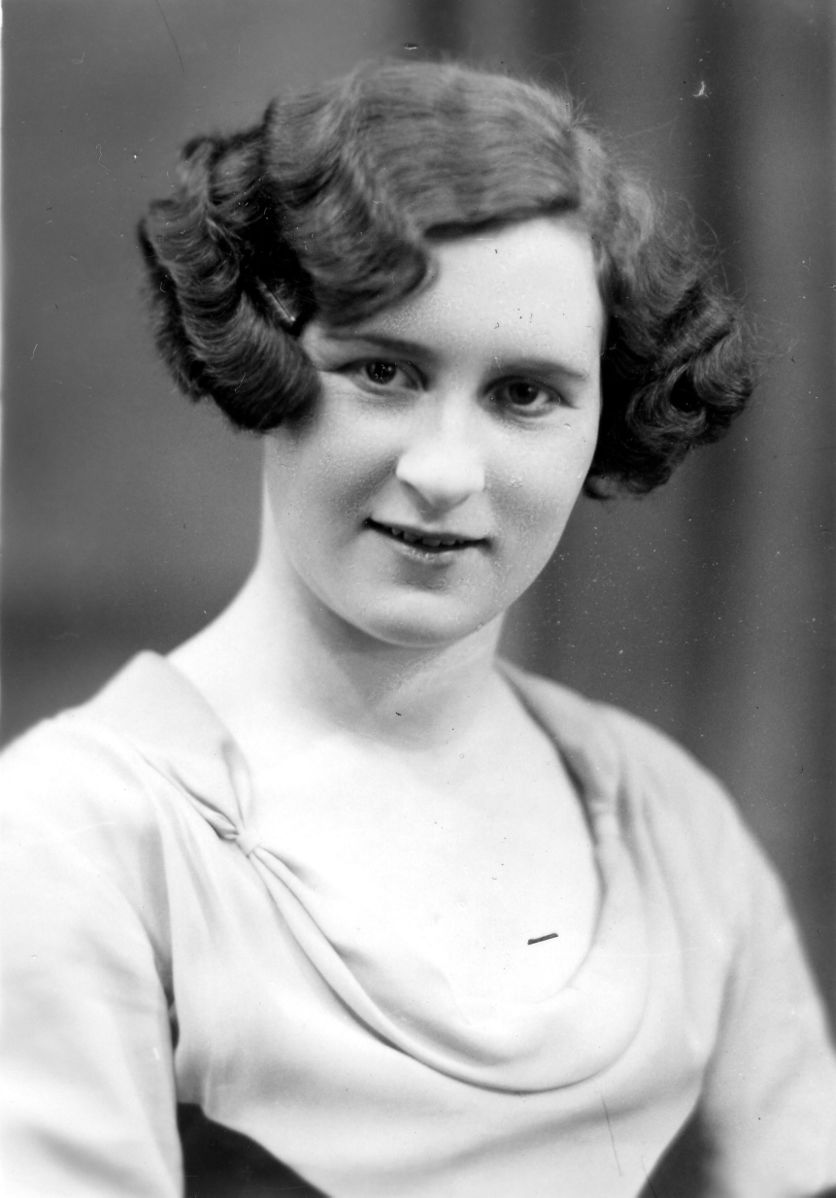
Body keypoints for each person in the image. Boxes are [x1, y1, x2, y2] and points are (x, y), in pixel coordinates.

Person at [2, 58, 834, 1198]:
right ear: (262, 357)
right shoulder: (78, 841)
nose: (445, 472)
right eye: (383, 371)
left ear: (606, 413)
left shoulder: (671, 824)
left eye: (525, 394)